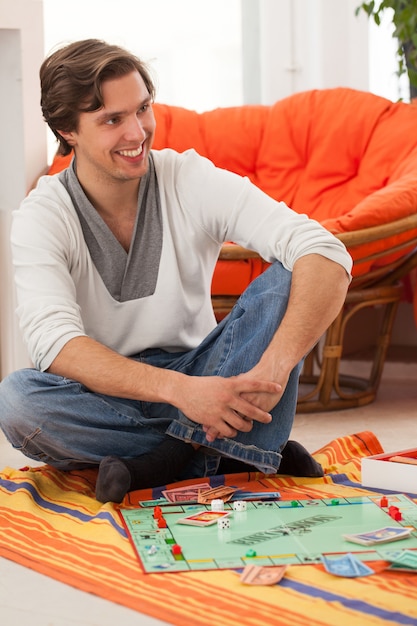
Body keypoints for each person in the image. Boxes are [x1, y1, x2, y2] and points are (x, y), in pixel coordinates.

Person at [0, 39, 352, 503]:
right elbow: (56, 344)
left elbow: (326, 251)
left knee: (291, 277)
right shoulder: (42, 215)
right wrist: (182, 393)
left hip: (211, 371)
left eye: (143, 108)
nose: (137, 132)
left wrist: (275, 366)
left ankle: (159, 461)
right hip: (113, 391)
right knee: (19, 400)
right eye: (112, 119)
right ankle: (238, 454)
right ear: (68, 130)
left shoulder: (188, 177)